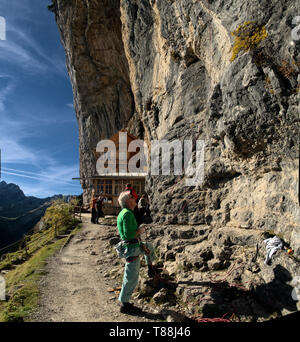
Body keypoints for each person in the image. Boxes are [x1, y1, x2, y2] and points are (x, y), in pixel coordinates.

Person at [117, 190, 158, 314]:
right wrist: (139, 231)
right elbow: (129, 234)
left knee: (148, 246)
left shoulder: (124, 213)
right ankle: (125, 304)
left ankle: (151, 268)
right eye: (133, 198)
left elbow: (128, 234)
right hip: (131, 248)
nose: (135, 200)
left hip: (132, 245)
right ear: (129, 202)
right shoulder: (128, 214)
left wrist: (140, 239)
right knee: (131, 277)